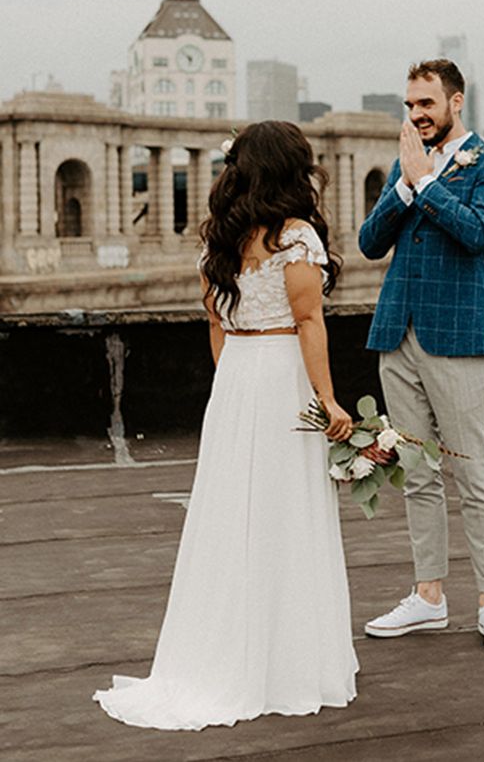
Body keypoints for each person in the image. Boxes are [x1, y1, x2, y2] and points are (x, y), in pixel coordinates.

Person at [93, 121, 359, 729]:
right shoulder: (296, 239)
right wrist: (329, 400)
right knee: (286, 513)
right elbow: (309, 322)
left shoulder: (220, 237)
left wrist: (234, 384)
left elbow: (215, 324)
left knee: (229, 515)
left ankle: (220, 654)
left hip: (236, 378)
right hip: (280, 373)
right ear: (293, 171)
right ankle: (287, 662)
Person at [358, 59, 484, 655]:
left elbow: (478, 234)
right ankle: (428, 597)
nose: (416, 114)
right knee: (417, 475)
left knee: (472, 471)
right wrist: (404, 186)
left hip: (458, 339)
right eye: (409, 105)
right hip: (396, 337)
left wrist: (426, 183)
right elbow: (370, 242)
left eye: (426, 104)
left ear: (456, 101)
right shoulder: (407, 162)